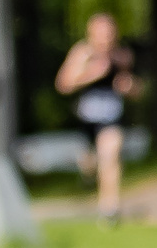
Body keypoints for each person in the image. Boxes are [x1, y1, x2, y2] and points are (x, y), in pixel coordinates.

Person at [54, 12, 138, 224]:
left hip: (111, 117)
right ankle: (89, 174)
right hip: (87, 119)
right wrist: (92, 73)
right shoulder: (82, 53)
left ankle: (109, 209)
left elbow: (136, 88)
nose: (106, 38)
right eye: (102, 34)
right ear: (91, 34)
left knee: (111, 155)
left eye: (110, 34)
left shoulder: (122, 55)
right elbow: (63, 84)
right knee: (91, 164)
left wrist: (129, 88)